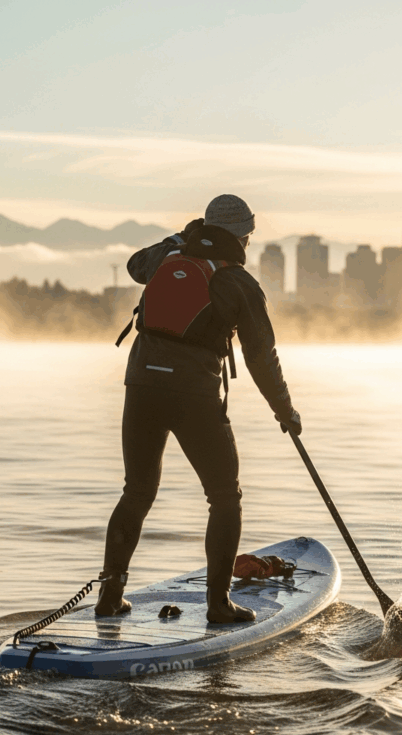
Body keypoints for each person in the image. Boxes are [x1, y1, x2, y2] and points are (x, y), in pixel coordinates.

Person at [95, 194, 302, 623]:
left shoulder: (166, 259)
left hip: (142, 385)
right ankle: (218, 603)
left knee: (137, 491)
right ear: (243, 236)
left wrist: (179, 239)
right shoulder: (240, 283)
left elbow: (136, 264)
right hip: (194, 395)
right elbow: (261, 355)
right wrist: (285, 411)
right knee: (225, 497)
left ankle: (110, 594)